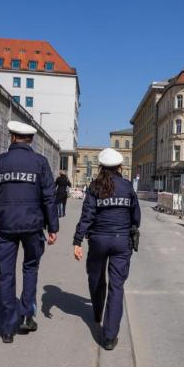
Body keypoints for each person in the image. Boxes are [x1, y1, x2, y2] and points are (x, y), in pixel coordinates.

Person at [0, 121, 59, 343]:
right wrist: (53, 228)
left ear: (12, 137)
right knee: (30, 269)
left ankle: (7, 329)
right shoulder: (40, 162)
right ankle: (25, 316)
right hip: (33, 225)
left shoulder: (0, 162)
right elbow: (49, 197)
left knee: (6, 274)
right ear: (30, 140)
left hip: (6, 226)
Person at [73, 148, 140, 351]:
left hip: (98, 240)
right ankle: (110, 337)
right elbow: (136, 216)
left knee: (95, 277)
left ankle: (96, 312)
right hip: (121, 242)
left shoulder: (94, 187)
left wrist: (77, 241)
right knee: (116, 287)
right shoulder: (127, 187)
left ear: (101, 166)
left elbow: (87, 216)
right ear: (120, 167)